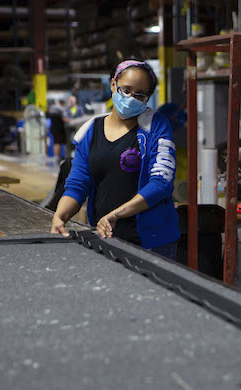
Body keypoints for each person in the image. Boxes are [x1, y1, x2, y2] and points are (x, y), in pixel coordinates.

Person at [51, 59, 180, 260]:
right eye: (126, 90)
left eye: (139, 95)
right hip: (105, 236)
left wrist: (117, 214)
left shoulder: (156, 126)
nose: (131, 98)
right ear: (113, 85)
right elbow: (77, 184)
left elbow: (161, 183)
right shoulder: (90, 131)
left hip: (152, 242)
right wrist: (60, 216)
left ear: (147, 98)